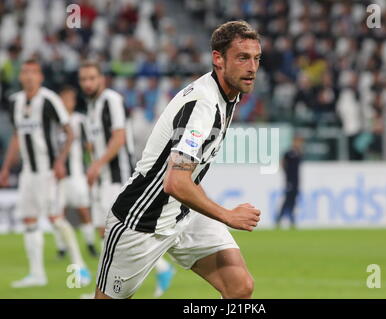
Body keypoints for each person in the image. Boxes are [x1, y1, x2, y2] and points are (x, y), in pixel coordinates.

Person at [94, 20, 262, 299]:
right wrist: (228, 216)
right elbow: (175, 182)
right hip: (142, 221)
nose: (252, 67)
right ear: (218, 59)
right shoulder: (203, 105)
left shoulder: (229, 96)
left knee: (239, 287)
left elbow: (187, 177)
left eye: (256, 58)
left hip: (183, 213)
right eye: (243, 57)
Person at [78, 61, 175, 298]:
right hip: (102, 179)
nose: (88, 83)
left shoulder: (111, 100)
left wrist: (97, 165)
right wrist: (92, 165)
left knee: (115, 233)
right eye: (84, 79)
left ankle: (158, 270)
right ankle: (112, 286)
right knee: (106, 232)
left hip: (117, 176)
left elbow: (119, 137)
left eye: (92, 78)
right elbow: (94, 142)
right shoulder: (91, 107)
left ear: (101, 78)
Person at [0, 59, 91, 288]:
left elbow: (69, 132)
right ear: (21, 76)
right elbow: (16, 136)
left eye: (33, 72)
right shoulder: (16, 102)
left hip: (48, 171)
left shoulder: (49, 99)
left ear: (40, 77)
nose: (29, 76)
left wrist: (60, 162)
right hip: (28, 172)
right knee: (28, 220)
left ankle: (80, 267)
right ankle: (37, 274)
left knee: (55, 218)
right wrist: (6, 168)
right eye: (25, 72)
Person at [52, 85, 98, 258]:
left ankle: (90, 244)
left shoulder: (80, 120)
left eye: (70, 99)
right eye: (64, 99)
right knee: (58, 212)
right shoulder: (54, 122)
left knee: (83, 209)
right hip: (58, 176)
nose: (67, 102)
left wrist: (92, 166)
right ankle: (62, 247)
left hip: (77, 174)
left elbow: (88, 146)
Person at [276, 135, 303, 228]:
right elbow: (282, 163)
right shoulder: (289, 153)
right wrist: (286, 174)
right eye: (297, 141)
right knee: (287, 201)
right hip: (290, 181)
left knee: (293, 201)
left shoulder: (299, 153)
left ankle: (291, 219)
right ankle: (279, 218)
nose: (299, 144)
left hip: (296, 181)